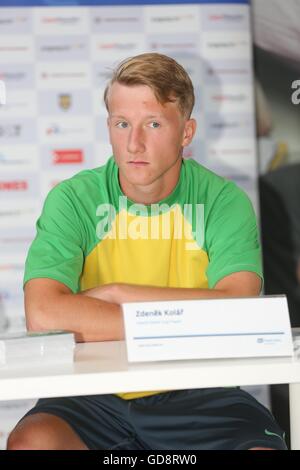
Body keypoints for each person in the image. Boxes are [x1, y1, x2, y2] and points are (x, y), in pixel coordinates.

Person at [7, 53, 286, 450]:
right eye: (122, 124)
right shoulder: (73, 199)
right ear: (109, 127)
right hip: (93, 393)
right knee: (33, 442)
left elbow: (238, 311)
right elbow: (43, 313)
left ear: (186, 132)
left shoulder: (224, 201)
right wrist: (187, 323)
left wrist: (116, 295)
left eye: (153, 124)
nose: (134, 143)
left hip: (201, 392)